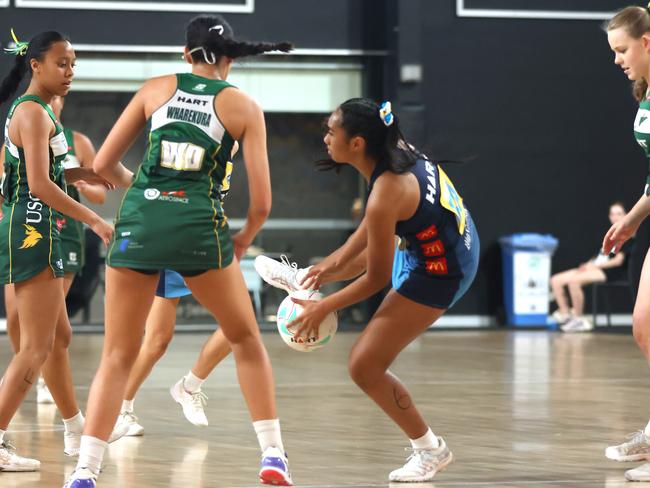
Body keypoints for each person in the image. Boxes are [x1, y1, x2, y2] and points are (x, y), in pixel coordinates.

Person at [63, 15, 294, 487]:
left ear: (185, 54)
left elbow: (102, 165)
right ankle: (272, 455)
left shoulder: (155, 88)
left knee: (116, 354)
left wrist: (144, 187)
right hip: (197, 228)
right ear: (229, 58)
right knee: (245, 338)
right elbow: (263, 203)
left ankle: (85, 470)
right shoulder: (244, 107)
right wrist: (245, 238)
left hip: (141, 223)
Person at [255, 98, 480, 482]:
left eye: (331, 130)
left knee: (364, 366)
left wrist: (323, 309)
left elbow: (377, 277)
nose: (325, 137)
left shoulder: (386, 191)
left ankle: (430, 450)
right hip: (444, 240)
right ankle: (307, 277)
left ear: (357, 143)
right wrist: (329, 267)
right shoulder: (395, 153)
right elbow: (378, 227)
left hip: (443, 270)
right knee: (349, 261)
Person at [0, 30, 113, 471]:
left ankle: (75, 429)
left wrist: (117, 176)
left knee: (59, 337)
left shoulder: (45, 112)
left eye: (73, 64)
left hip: (41, 228)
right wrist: (95, 219)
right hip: (33, 229)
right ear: (35, 65)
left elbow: (65, 173)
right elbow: (41, 185)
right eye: (61, 63)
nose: (69, 71)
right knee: (35, 347)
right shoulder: (31, 112)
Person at [118, 148, 238, 435]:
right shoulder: (189, 147)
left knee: (238, 325)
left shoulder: (227, 155)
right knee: (157, 340)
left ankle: (189, 386)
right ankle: (121, 410)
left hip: (204, 240)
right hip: (168, 239)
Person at [2, 94, 107, 404]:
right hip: (26, 226)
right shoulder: (26, 120)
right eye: (62, 65)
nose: (58, 96)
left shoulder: (78, 141)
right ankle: (28, 370)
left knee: (52, 328)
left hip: (66, 230)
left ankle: (40, 380)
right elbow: (23, 183)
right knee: (18, 316)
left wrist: (87, 184)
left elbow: (99, 191)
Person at [603, 5, 650, 482]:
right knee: (642, 326)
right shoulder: (646, 93)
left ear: (648, 42)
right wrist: (633, 221)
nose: (617, 59)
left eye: (622, 50)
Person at [550, 202, 633, 332]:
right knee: (556, 280)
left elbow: (618, 261)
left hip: (609, 272)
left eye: (619, 213)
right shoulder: (610, 234)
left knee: (574, 281)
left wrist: (595, 266)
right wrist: (588, 265)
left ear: (626, 214)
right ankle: (566, 316)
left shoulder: (627, 235)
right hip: (595, 267)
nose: (615, 216)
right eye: (612, 213)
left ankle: (578, 319)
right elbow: (600, 255)